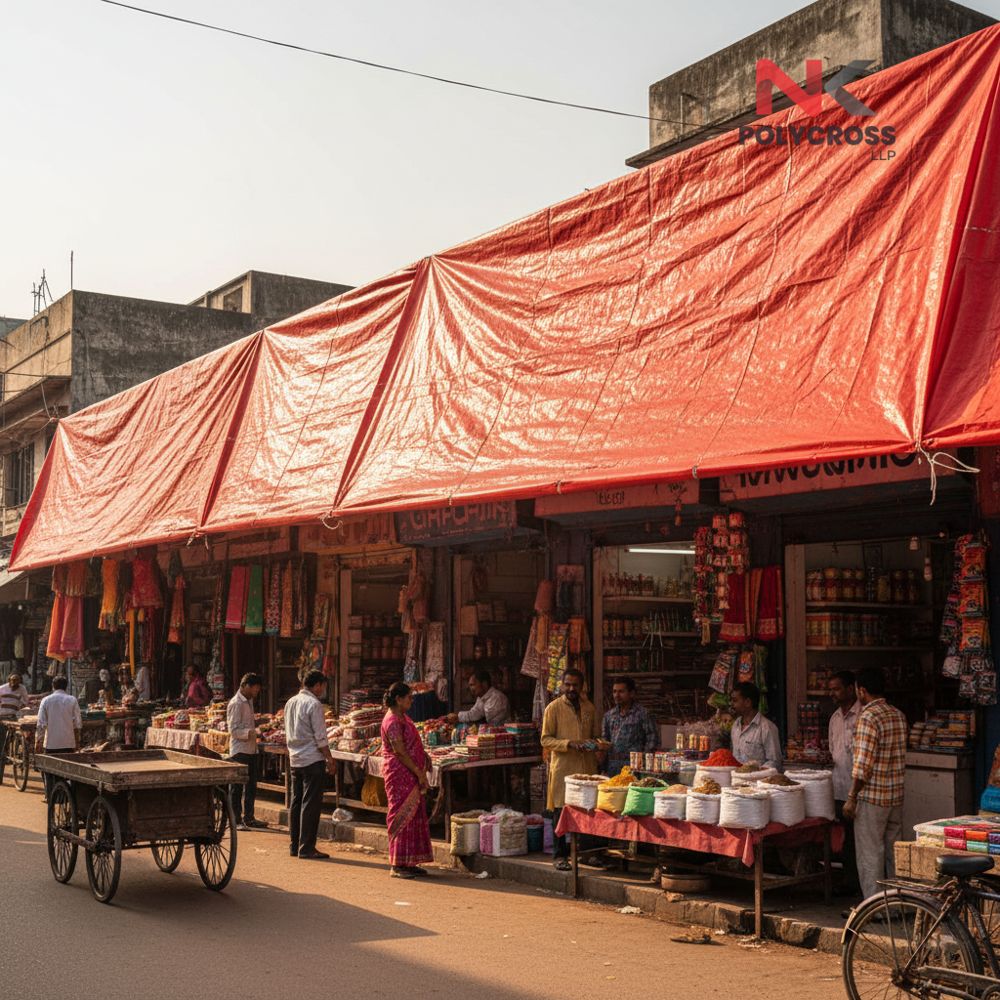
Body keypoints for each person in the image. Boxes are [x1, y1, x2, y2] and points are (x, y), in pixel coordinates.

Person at [843, 667, 907, 900]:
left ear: (862, 691)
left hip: (872, 798)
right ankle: (899, 902)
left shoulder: (868, 717)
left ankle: (875, 908)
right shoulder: (898, 715)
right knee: (893, 852)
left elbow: (862, 766)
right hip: (895, 797)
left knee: (870, 854)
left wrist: (852, 797)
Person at [541, 668, 600, 871]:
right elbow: (545, 739)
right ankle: (559, 856)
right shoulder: (553, 708)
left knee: (587, 811)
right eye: (568, 685)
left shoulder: (589, 708)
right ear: (562, 685)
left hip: (586, 768)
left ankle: (586, 854)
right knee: (560, 811)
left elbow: (595, 735)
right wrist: (569, 744)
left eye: (575, 685)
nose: (571, 688)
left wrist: (596, 744)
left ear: (582, 686)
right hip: (562, 770)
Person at [382, 681, 434, 879]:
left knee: (413, 817)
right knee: (401, 817)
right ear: (398, 699)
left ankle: (410, 861)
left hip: (409, 774)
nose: (412, 701)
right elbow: (400, 752)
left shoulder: (402, 718)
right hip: (400, 774)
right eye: (409, 698)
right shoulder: (393, 721)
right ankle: (398, 864)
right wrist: (418, 772)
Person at [284, 669, 335, 860]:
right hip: (312, 759)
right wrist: (329, 758)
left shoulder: (290, 702)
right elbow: (321, 737)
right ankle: (306, 847)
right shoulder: (314, 704)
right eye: (322, 685)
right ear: (317, 685)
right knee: (310, 804)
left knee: (296, 802)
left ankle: (295, 845)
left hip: (295, 759)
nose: (322, 689)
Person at [828, 669, 862, 896]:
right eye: (830, 689)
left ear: (851, 689)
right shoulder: (835, 718)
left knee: (859, 840)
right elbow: (834, 751)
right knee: (845, 839)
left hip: (859, 790)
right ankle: (850, 882)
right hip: (839, 788)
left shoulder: (864, 716)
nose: (832, 693)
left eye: (836, 689)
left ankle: (860, 886)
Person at [227, 672, 267, 832]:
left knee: (251, 785)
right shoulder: (236, 703)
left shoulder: (248, 702)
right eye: (256, 689)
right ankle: (235, 819)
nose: (257, 692)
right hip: (240, 750)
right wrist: (254, 733)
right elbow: (234, 730)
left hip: (251, 749)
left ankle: (249, 817)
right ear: (247, 686)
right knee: (237, 786)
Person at [598, 676, 658, 777]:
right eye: (614, 691)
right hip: (613, 767)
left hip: (634, 768)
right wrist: (602, 768)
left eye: (621, 691)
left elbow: (652, 740)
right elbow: (604, 743)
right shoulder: (609, 716)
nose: (617, 695)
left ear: (631, 693)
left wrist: (642, 762)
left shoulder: (642, 714)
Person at [34, 676, 82, 802]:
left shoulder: (46, 700)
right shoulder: (72, 700)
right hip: (68, 743)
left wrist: (37, 742)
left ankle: (50, 796)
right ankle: (66, 796)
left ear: (53, 686)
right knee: (67, 772)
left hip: (51, 744)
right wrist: (77, 741)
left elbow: (41, 725)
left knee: (49, 771)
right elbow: (78, 724)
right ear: (66, 686)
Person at [730, 682, 782, 771]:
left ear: (747, 702)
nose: (731, 704)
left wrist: (756, 773)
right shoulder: (736, 725)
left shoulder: (767, 728)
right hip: (736, 781)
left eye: (735, 700)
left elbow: (774, 761)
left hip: (758, 782)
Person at [446, 669, 511, 727]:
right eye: (470, 685)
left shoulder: (497, 698)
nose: (471, 688)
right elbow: (473, 714)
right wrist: (455, 717)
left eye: (473, 685)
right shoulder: (481, 698)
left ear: (484, 684)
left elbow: (488, 721)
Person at [0, 672, 29, 781]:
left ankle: (11, 751)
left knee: (10, 740)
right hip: (1, 717)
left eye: (16, 682)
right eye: (12, 682)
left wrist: (21, 706)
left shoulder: (22, 689)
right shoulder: (2, 689)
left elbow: (25, 702)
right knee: (1, 745)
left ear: (20, 682)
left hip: (13, 717)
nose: (14, 685)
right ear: (9, 681)